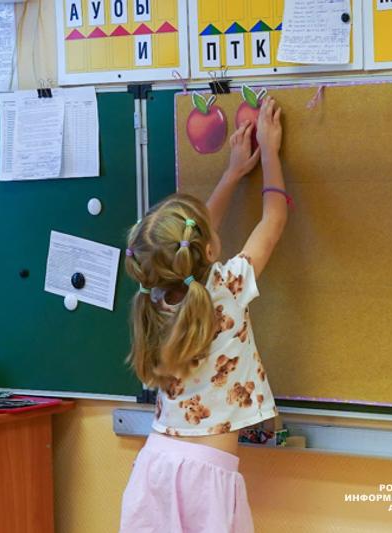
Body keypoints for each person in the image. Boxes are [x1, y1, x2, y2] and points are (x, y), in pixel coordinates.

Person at [120, 97, 287, 533]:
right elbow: (273, 221)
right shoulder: (228, 286)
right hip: (206, 478)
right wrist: (270, 152)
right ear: (209, 249)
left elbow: (188, 245)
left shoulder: (152, 297)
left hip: (155, 464)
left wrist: (231, 173)